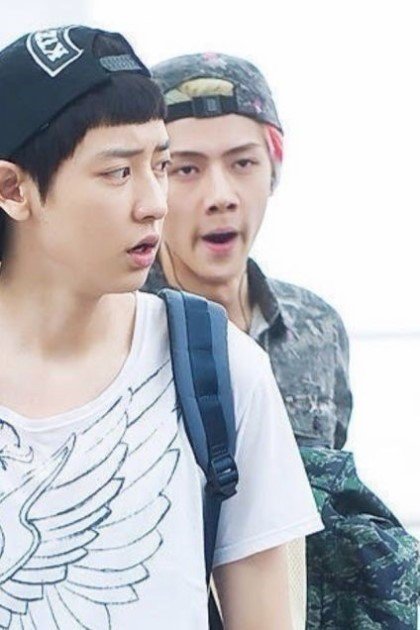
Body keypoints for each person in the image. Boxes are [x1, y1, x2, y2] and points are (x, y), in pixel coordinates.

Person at [0, 26, 322, 629]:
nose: (155, 202)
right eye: (118, 172)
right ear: (14, 189)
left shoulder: (218, 365)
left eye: (161, 165)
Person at [148, 52, 353, 451]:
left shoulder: (317, 327)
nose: (220, 197)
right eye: (186, 169)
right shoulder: (118, 337)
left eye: (242, 163)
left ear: (273, 171)